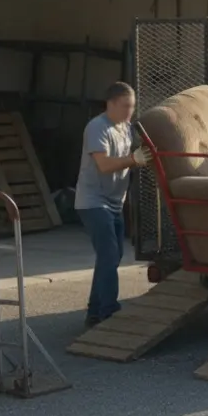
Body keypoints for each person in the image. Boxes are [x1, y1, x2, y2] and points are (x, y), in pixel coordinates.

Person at [76, 82, 150, 328]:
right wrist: (132, 160)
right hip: (93, 202)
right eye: (126, 106)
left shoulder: (126, 128)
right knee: (109, 254)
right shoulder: (97, 127)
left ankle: (95, 312)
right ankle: (108, 310)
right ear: (111, 103)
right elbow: (105, 165)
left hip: (115, 202)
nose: (130, 111)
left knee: (113, 255)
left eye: (132, 106)